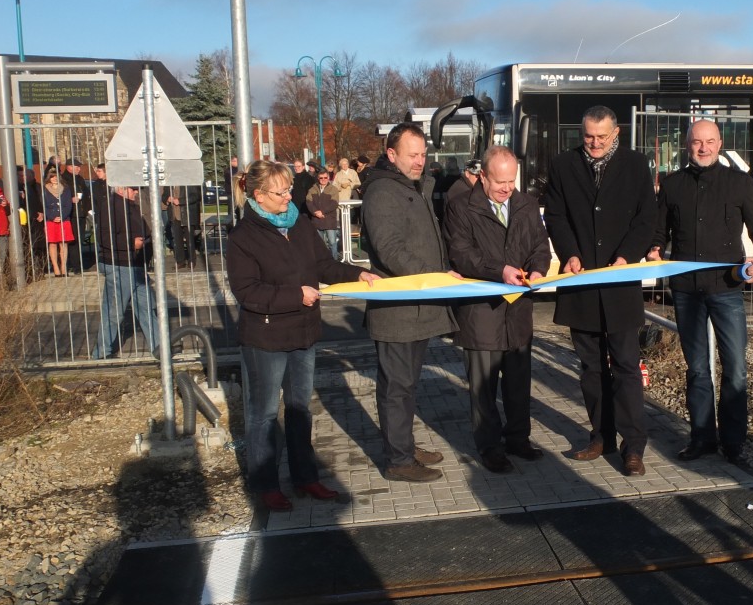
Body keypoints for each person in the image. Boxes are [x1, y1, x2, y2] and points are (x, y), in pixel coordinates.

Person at [227, 160, 377, 512]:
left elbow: (323, 266)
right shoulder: (243, 237)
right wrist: (296, 295)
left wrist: (358, 275)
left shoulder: (299, 223)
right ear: (259, 196)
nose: (288, 196)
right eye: (280, 192)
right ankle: (265, 485)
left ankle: (305, 476)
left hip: (304, 333)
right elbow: (247, 292)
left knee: (299, 410)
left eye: (289, 188)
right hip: (265, 338)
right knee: (264, 415)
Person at [648, 119, 753, 467]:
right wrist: (655, 249)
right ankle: (701, 438)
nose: (702, 148)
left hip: (726, 289)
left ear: (720, 144)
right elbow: (659, 231)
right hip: (687, 292)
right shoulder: (672, 185)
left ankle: (733, 442)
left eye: (709, 142)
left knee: (735, 369)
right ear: (687, 145)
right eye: (696, 142)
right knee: (698, 370)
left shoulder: (738, 183)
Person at [541, 105, 656, 476]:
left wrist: (627, 256)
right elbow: (555, 216)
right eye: (588, 136)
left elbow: (646, 218)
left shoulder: (637, 165)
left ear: (616, 132)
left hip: (620, 282)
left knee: (625, 366)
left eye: (601, 137)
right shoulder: (562, 165)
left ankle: (633, 445)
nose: (594, 143)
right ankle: (600, 435)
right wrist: (570, 254)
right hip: (581, 283)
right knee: (591, 368)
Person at [443, 146, 550, 473]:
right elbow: (461, 254)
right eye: (500, 181)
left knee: (518, 382)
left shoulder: (527, 204)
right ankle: (489, 446)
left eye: (511, 181)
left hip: (518, 311)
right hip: (481, 312)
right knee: (483, 388)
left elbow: (540, 246)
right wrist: (499, 269)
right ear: (482, 177)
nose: (507, 188)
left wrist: (538, 270)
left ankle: (518, 438)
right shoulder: (460, 207)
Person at [361, 122, 455, 483]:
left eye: (423, 154)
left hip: (414, 307)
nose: (420, 161)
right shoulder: (384, 192)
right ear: (391, 155)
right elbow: (391, 249)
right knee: (397, 387)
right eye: (412, 155)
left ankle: (402, 444)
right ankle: (398, 460)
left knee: (405, 385)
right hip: (398, 309)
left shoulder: (410, 187)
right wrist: (434, 277)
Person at [90, 184, 158, 359]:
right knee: (114, 312)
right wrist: (131, 243)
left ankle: (159, 347)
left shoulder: (130, 206)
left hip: (135, 265)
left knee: (147, 308)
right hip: (120, 265)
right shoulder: (111, 206)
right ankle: (101, 353)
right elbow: (104, 237)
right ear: (121, 188)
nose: (136, 192)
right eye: (133, 188)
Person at [41, 166, 75, 278]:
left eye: (56, 176)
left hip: (64, 219)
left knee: (63, 243)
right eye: (52, 177)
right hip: (51, 221)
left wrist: (62, 216)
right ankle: (55, 267)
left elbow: (68, 205)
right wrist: (52, 217)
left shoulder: (65, 188)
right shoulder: (44, 190)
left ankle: (64, 267)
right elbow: (44, 206)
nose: (54, 178)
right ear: (49, 178)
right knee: (52, 243)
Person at [61, 158, 92, 274]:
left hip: (81, 213)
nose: (79, 169)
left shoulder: (80, 179)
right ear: (69, 167)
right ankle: (75, 265)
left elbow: (87, 194)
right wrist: (70, 200)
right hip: (71, 214)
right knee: (72, 240)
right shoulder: (63, 179)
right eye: (77, 166)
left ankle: (78, 263)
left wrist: (88, 209)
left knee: (80, 239)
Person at [306, 166, 345, 257]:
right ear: (318, 178)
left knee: (332, 243)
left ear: (328, 178)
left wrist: (322, 212)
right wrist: (315, 212)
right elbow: (309, 202)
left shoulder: (333, 189)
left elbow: (334, 203)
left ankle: (334, 261)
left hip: (329, 220)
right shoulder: (312, 189)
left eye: (325, 177)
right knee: (320, 244)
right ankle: (323, 262)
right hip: (317, 220)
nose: (323, 179)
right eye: (321, 178)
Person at [165, 183, 204, 268]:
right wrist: (167, 199)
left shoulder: (189, 182)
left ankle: (191, 260)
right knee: (177, 239)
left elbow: (196, 196)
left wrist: (180, 201)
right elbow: (164, 195)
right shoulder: (169, 183)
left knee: (189, 238)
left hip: (187, 215)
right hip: (174, 215)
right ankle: (180, 261)